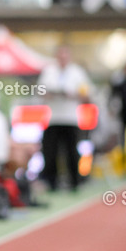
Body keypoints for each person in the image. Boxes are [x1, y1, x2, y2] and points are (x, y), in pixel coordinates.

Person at [37, 46, 92, 192]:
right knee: (50, 152)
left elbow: (87, 94)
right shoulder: (49, 71)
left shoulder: (77, 72)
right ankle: (51, 182)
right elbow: (40, 91)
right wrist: (51, 94)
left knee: (72, 151)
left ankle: (75, 181)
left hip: (70, 118)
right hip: (53, 118)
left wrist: (72, 95)